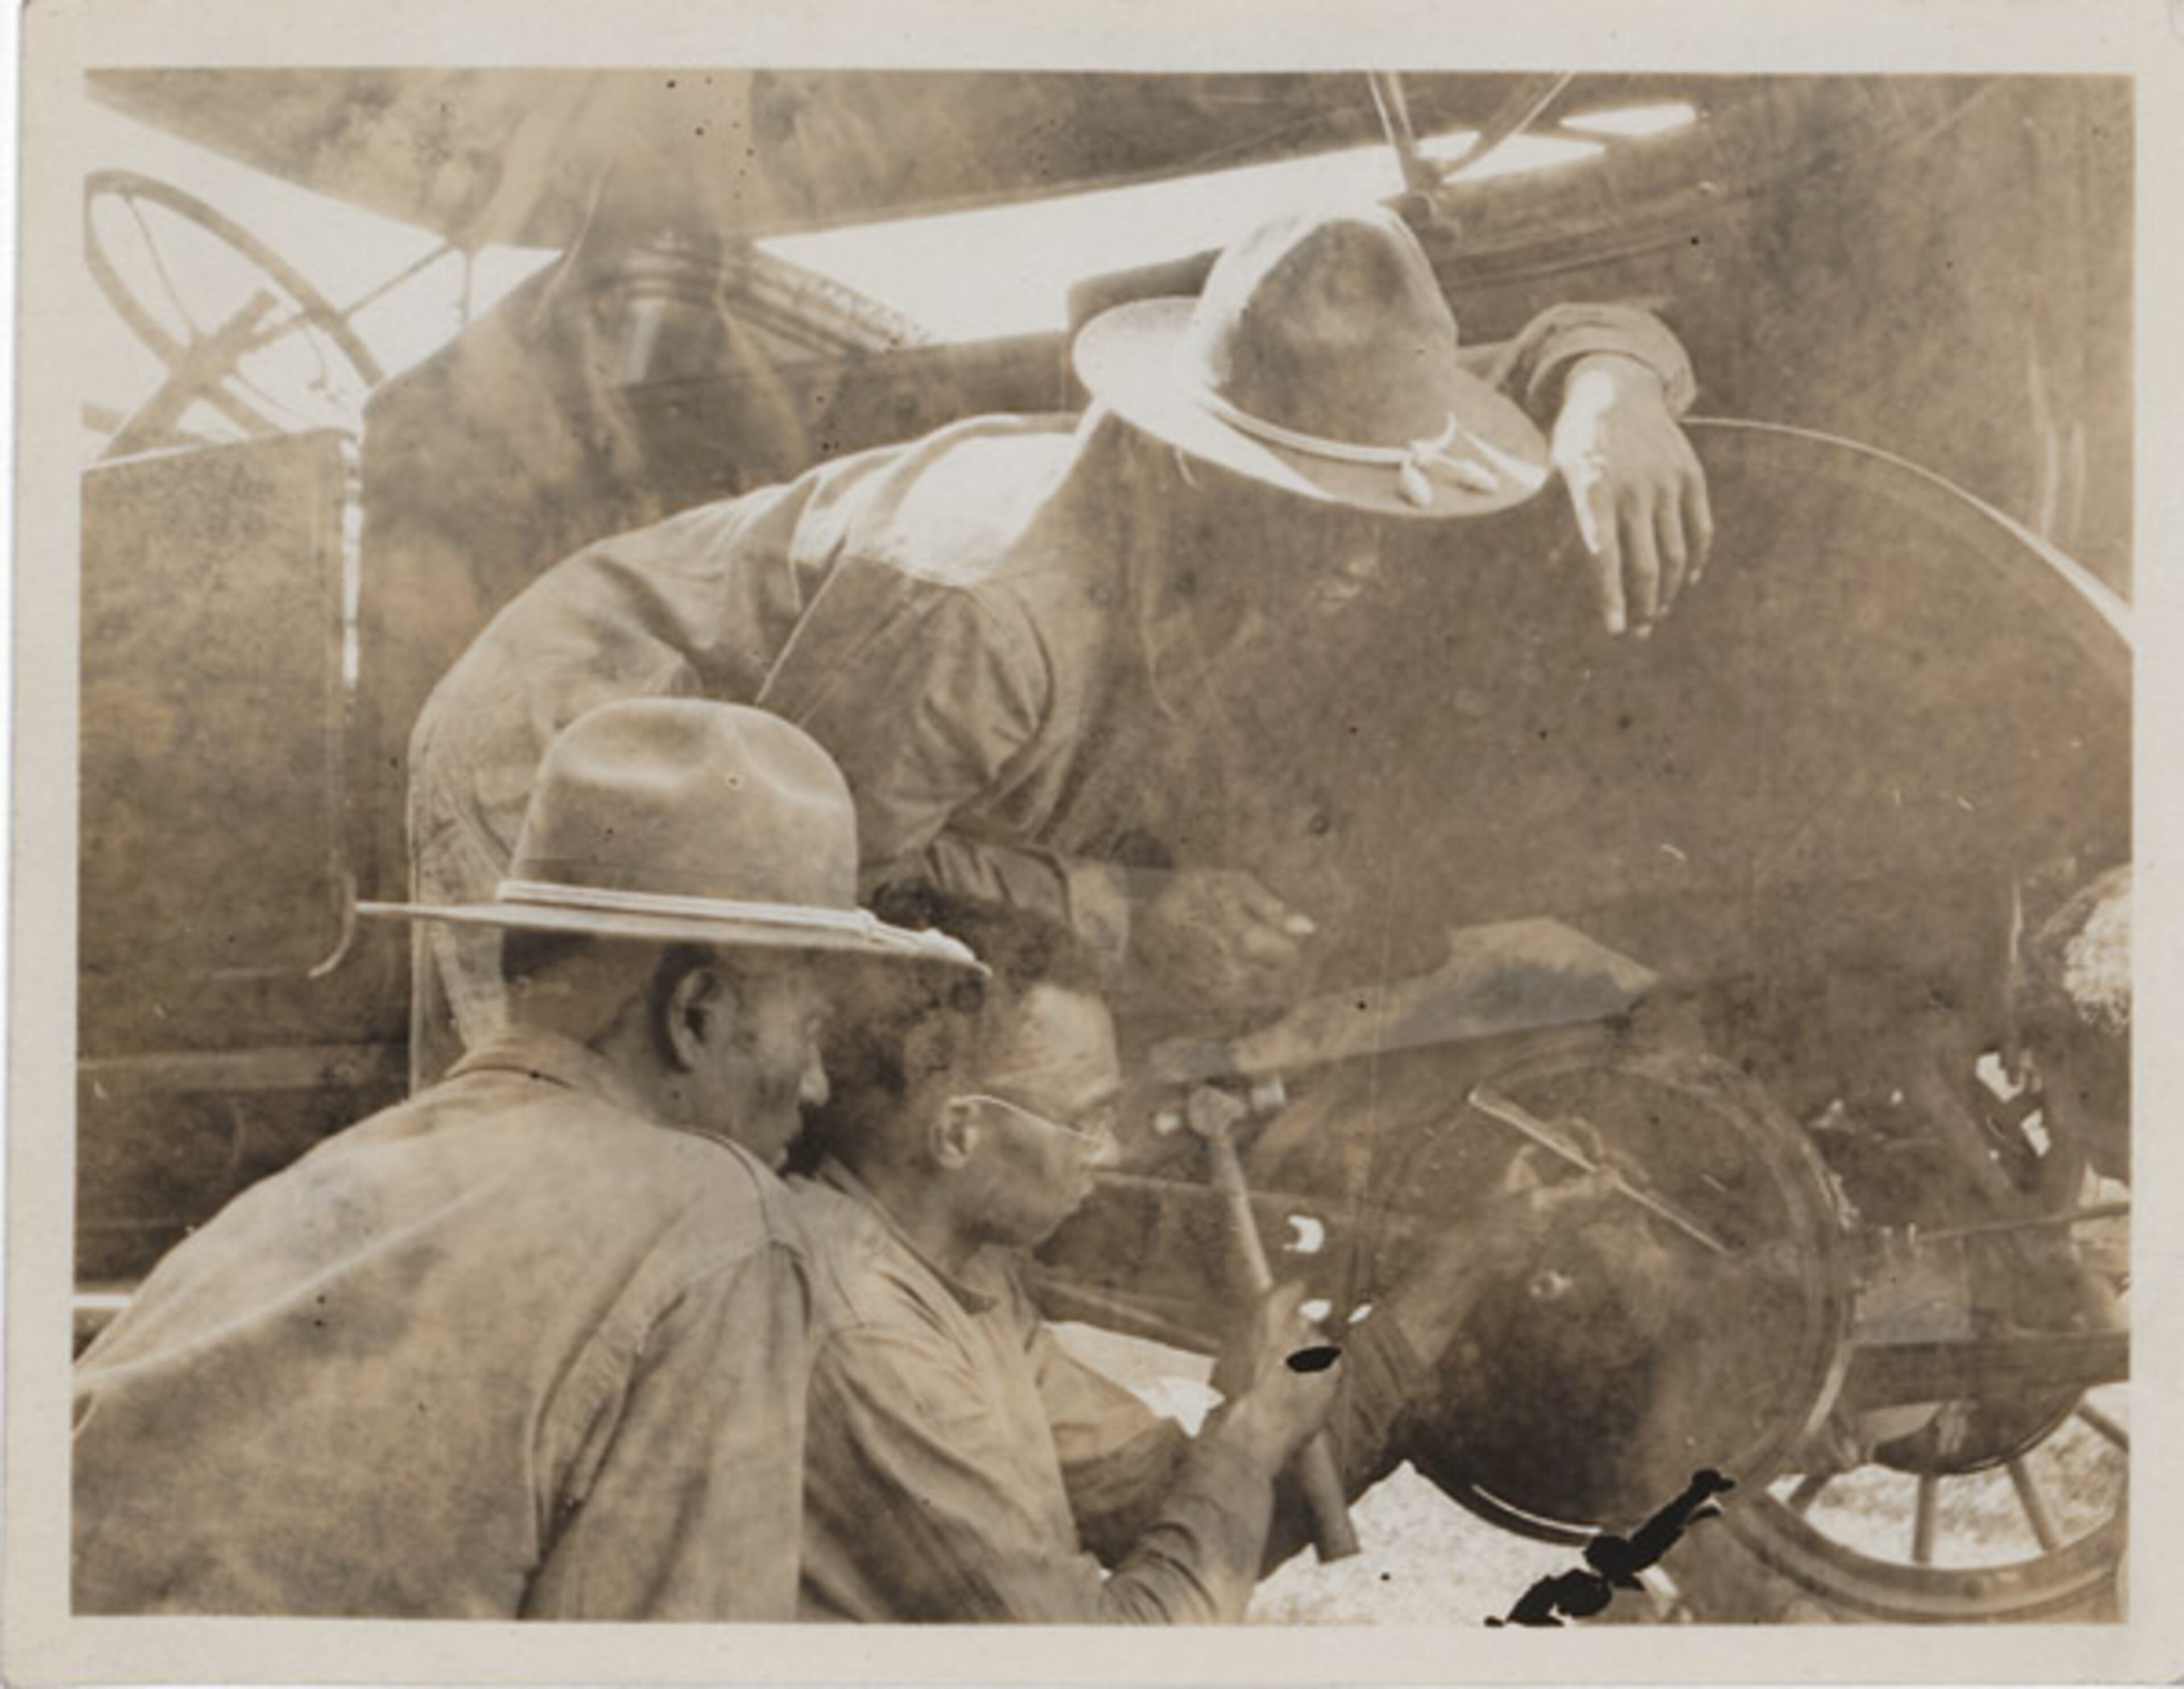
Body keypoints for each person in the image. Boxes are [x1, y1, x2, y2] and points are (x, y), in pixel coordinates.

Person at [406, 204, 1709, 1082]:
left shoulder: (1308, 402)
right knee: (601, 1146)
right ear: (1224, 473)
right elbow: (809, 875)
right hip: (582, 741)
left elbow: (1528, 349)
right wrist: (1128, 917)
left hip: (808, 774)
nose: (1367, 553)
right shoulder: (983, 601)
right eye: (1335, 520)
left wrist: (1612, 381)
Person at [70, 699, 976, 1619]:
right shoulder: (722, 1216)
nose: (818, 1085)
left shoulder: (310, 1188)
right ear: (695, 1012)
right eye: (812, 1030)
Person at [791, 888, 1596, 1622]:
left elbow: (1177, 1507)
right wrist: (1246, 1441)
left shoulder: (966, 1276)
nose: (1105, 1157)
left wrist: (1468, 1263)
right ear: (960, 1129)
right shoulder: (871, 1334)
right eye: (1088, 1119)